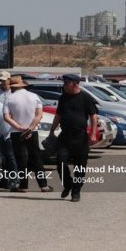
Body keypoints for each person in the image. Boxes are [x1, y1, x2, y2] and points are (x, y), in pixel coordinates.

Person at [49, 74, 97, 202]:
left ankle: (76, 191)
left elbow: (93, 116)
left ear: (74, 84)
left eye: (66, 83)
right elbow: (58, 115)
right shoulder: (63, 98)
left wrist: (93, 133)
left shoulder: (85, 97)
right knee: (60, 162)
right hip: (65, 137)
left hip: (80, 138)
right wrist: (52, 130)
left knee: (80, 167)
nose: (63, 86)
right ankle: (68, 184)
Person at [3, 76, 53, 193]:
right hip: (33, 131)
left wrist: (20, 128)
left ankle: (23, 186)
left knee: (21, 160)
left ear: (12, 87)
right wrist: (30, 129)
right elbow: (39, 115)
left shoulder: (9, 99)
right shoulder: (34, 96)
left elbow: (6, 117)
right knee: (36, 158)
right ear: (22, 85)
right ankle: (43, 185)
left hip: (16, 133)